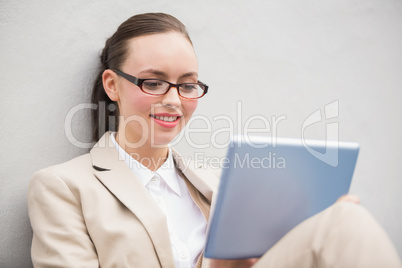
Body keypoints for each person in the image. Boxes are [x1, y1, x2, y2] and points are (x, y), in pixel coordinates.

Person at [28, 12, 401, 268]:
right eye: (153, 82)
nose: (173, 100)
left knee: (342, 220)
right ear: (113, 85)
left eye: (187, 84)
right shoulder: (63, 187)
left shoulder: (221, 186)